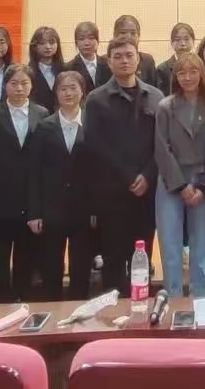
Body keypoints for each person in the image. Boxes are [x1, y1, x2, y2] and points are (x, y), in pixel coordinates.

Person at [83, 36, 163, 296]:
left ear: (138, 59)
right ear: (108, 61)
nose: (124, 61)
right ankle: (113, 313)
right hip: (112, 194)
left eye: (129, 55)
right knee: (114, 258)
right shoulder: (96, 99)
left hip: (147, 192)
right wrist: (129, 176)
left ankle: (141, 309)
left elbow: (162, 144)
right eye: (117, 56)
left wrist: (147, 175)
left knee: (142, 256)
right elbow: (96, 144)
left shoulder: (156, 97)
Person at [0, 64, 47, 302]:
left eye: (24, 83)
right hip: (0, 200)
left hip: (30, 198)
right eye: (14, 83)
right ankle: (0, 303)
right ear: (5, 86)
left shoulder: (42, 114)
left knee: (25, 258)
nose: (19, 88)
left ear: (32, 86)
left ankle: (22, 302)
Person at [155, 52, 205, 298]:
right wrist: (181, 186)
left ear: (202, 74)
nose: (188, 77)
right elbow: (161, 149)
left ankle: (200, 296)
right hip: (171, 180)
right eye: (182, 72)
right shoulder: (165, 106)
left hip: (202, 181)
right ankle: (172, 297)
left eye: (193, 71)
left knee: (201, 244)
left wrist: (202, 187)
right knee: (170, 243)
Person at [28, 71, 93, 301]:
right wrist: (35, 213)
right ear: (56, 93)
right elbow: (34, 172)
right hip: (51, 208)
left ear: (82, 91)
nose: (68, 93)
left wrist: (96, 209)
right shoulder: (44, 126)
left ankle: (79, 313)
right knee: (52, 267)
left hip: (84, 209)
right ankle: (52, 312)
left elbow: (99, 170)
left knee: (81, 267)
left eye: (73, 88)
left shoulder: (92, 125)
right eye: (63, 88)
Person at [114, 15, 159, 88]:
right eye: (123, 32)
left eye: (133, 33)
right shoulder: (105, 61)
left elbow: (153, 89)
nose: (128, 36)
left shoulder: (147, 60)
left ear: (139, 36)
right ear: (115, 35)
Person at [27, 26, 64, 113]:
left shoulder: (66, 69)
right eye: (42, 43)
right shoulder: (28, 72)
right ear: (34, 46)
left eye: (52, 42)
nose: (48, 47)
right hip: (38, 117)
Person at [67, 21, 112, 91]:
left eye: (91, 38)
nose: (86, 43)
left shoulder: (108, 64)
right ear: (76, 43)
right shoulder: (69, 68)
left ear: (97, 41)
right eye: (81, 39)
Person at [157, 22, 196, 94]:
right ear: (172, 42)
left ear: (193, 41)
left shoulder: (199, 66)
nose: (183, 43)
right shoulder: (162, 69)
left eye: (186, 39)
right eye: (178, 40)